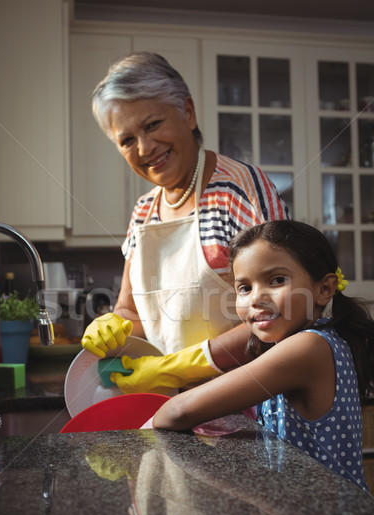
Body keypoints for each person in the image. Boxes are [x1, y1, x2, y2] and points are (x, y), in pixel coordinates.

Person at [81, 51, 290, 388]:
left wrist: (177, 367)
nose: (145, 148)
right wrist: (111, 326)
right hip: (168, 407)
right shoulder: (143, 212)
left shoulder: (240, 190)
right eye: (127, 140)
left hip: (244, 404)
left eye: (153, 125)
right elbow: (131, 314)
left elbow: (282, 314)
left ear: (188, 113)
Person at [138, 220, 374, 491]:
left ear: (324, 289)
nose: (256, 298)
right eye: (245, 288)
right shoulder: (312, 342)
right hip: (302, 513)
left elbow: (177, 412)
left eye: (277, 280)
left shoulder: (308, 348)